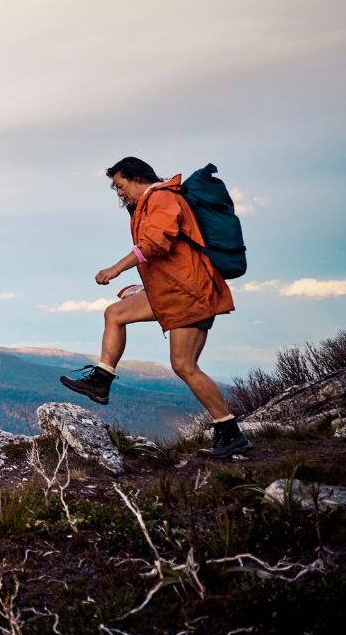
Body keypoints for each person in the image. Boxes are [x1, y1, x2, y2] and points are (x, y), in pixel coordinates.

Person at [59, 157, 250, 458]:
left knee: (184, 365)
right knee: (115, 313)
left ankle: (229, 432)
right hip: (172, 291)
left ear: (137, 178)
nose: (119, 193)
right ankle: (101, 381)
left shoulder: (161, 197)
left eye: (120, 186)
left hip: (191, 294)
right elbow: (171, 259)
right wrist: (143, 288)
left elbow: (156, 244)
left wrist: (116, 269)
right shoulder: (148, 205)